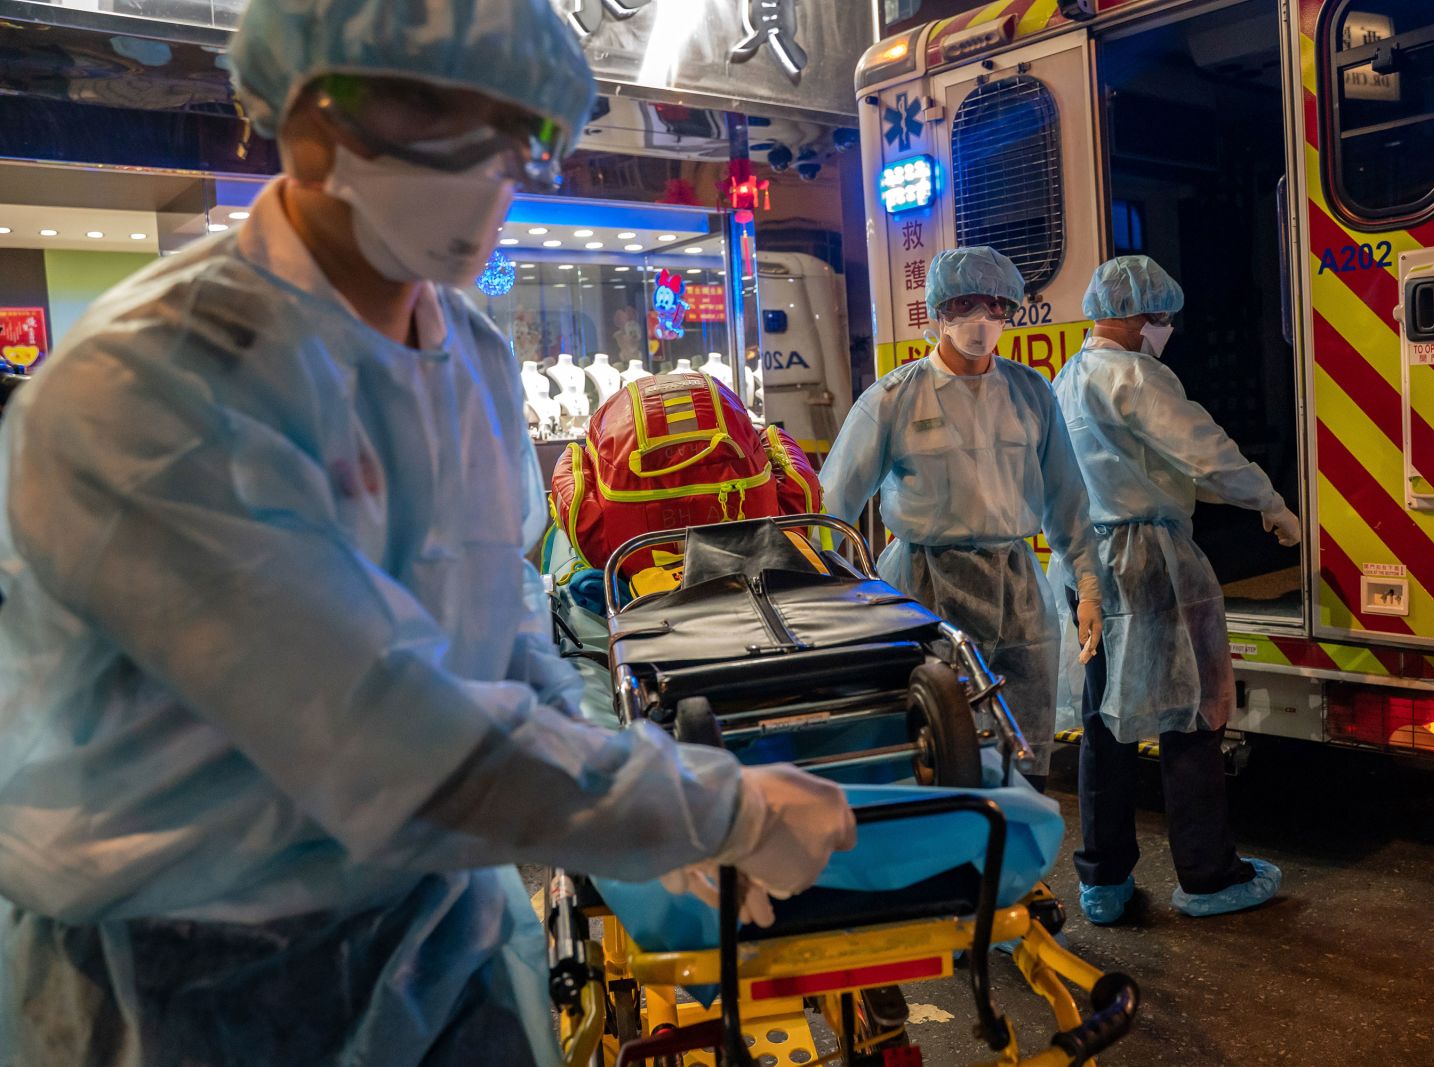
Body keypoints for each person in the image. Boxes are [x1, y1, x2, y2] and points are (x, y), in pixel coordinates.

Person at [0, 2, 854, 1063]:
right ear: (307, 119)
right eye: (434, 117)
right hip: (186, 981)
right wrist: (703, 809)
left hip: (440, 932)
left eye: (518, 133)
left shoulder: (472, 357)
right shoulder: (152, 384)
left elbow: (506, 635)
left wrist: (621, 801)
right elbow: (379, 738)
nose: (488, 168)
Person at [1048, 255, 1300, 925]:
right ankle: (1207, 874)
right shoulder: (1135, 373)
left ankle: (1102, 880)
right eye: (1159, 317)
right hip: (1145, 557)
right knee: (1186, 711)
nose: (1164, 328)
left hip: (1084, 563)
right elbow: (1202, 449)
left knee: (1104, 721)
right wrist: (1268, 500)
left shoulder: (1066, 378)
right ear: (1134, 316)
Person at [820, 246, 1103, 789]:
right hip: (924, 590)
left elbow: (1067, 499)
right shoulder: (895, 398)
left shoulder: (1030, 393)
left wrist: (1088, 583)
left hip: (1016, 591)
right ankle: (957, 868)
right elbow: (832, 509)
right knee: (942, 751)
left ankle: (1020, 870)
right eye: (966, 304)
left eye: (997, 306)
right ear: (937, 312)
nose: (982, 320)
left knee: (1021, 751)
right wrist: (841, 599)